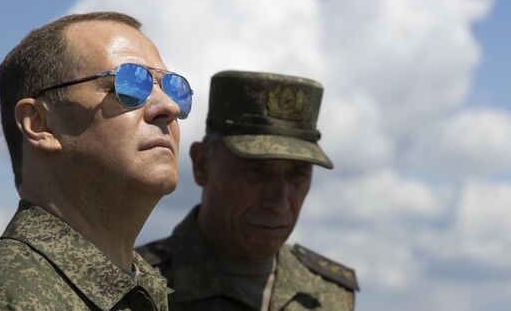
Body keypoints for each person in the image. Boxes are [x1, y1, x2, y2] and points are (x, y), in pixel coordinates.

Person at [0, 12, 194, 311]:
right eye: (130, 85)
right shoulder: (7, 300)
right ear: (41, 124)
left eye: (173, 88)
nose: (169, 107)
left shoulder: (141, 290)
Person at [137, 70, 359, 311]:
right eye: (256, 172)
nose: (279, 202)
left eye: (298, 174)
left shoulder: (328, 294)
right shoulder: (137, 287)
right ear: (202, 165)